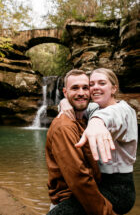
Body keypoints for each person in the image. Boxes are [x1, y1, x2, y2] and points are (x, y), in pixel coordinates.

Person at [58, 68, 137, 214]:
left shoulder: (124, 111)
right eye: (92, 84)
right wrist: (64, 102)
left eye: (102, 83)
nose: (95, 88)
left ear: (114, 88)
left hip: (119, 189)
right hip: (99, 182)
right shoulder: (95, 107)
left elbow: (111, 116)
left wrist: (96, 123)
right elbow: (79, 105)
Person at [45, 69, 115, 215]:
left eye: (85, 87)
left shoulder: (84, 118)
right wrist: (106, 211)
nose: (81, 93)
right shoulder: (64, 127)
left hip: (84, 202)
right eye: (75, 88)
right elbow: (79, 179)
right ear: (65, 92)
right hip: (71, 204)